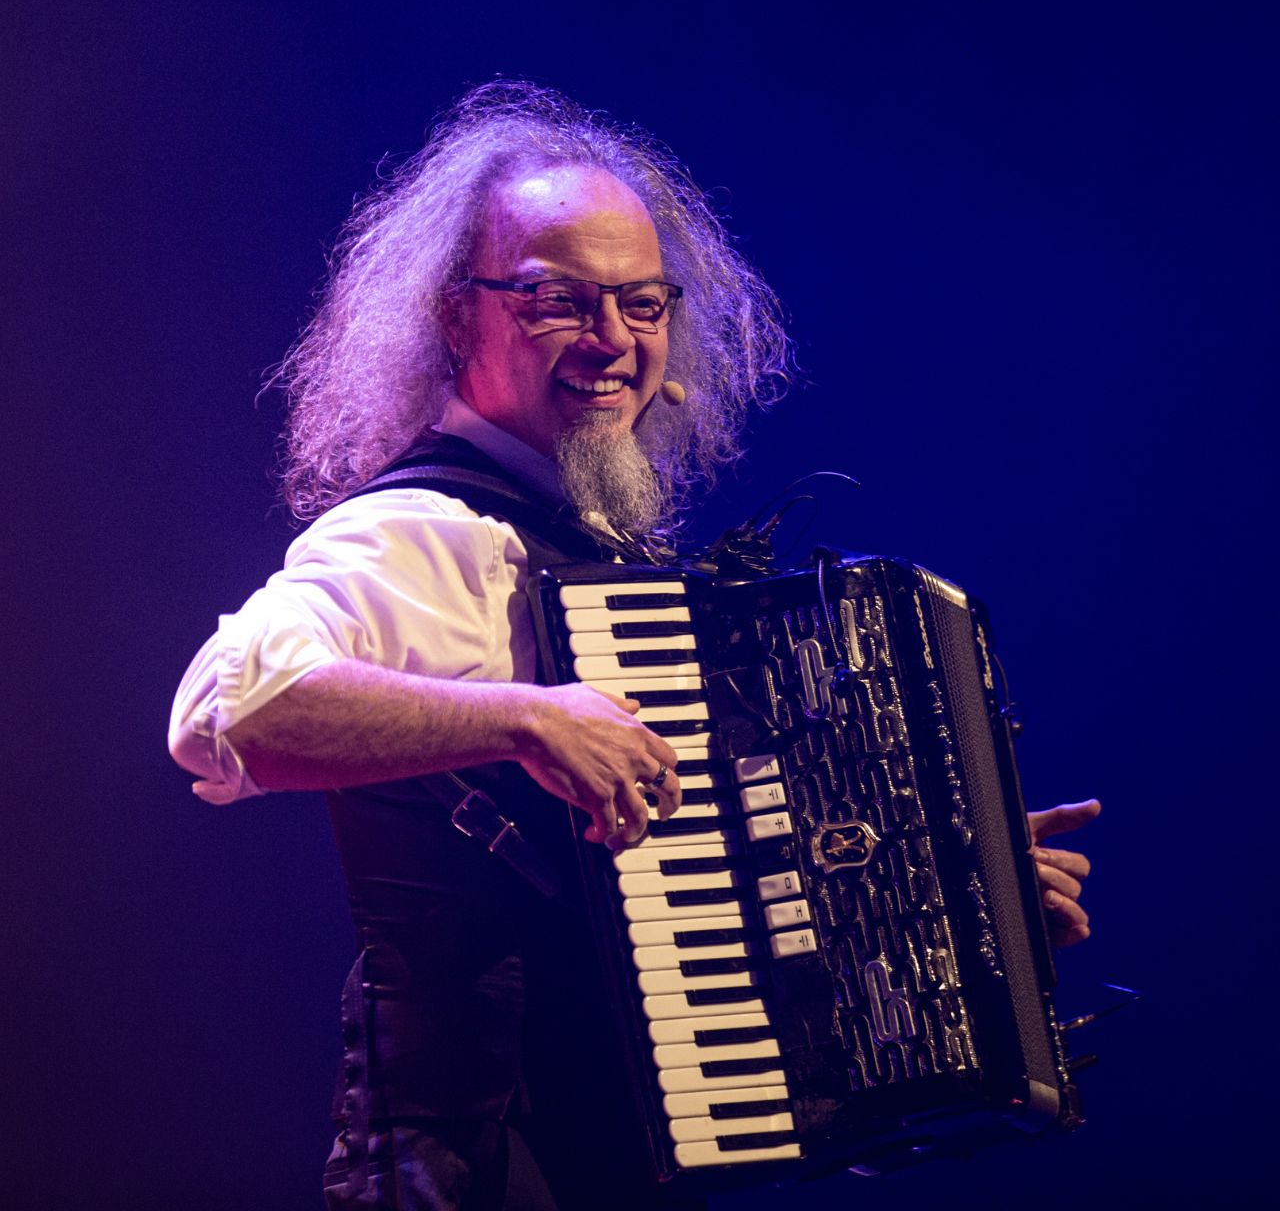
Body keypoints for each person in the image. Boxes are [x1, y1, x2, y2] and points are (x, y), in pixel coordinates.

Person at [169, 82, 1100, 1211]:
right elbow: (227, 713)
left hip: (619, 1153)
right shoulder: (417, 528)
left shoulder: (586, 544)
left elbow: (720, 880)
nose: (613, 341)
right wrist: (523, 716)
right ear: (456, 315)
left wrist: (960, 897)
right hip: (476, 1163)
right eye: (560, 300)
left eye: (643, 302)